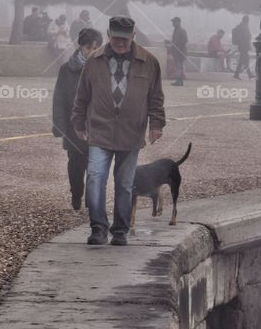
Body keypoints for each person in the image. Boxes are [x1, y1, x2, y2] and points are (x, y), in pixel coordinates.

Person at [72, 14, 165, 246]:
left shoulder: (149, 62)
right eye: (116, 39)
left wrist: (156, 124)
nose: (120, 43)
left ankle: (120, 230)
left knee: (125, 183)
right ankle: (98, 229)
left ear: (133, 36)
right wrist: (78, 122)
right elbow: (82, 95)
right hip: (100, 130)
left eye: (125, 39)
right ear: (108, 35)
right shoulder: (94, 61)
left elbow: (156, 97)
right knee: (95, 179)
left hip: (131, 133)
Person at [52, 27, 102, 210]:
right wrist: (59, 125)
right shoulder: (67, 70)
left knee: (96, 167)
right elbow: (59, 98)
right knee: (75, 165)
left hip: (97, 127)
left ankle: (91, 200)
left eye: (96, 47)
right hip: (75, 127)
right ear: (80, 46)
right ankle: (76, 194)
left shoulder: (104, 68)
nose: (92, 51)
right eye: (89, 47)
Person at [231, 15, 253, 80]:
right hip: (243, 47)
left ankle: (245, 74)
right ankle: (248, 74)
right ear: (247, 21)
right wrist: (249, 36)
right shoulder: (243, 27)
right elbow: (247, 36)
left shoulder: (240, 26)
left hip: (243, 46)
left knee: (244, 60)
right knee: (244, 60)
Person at [170, 16, 188, 86]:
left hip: (180, 52)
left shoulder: (182, 30)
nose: (173, 24)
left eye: (174, 22)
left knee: (179, 66)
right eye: (173, 22)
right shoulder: (175, 30)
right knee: (178, 66)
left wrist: (178, 48)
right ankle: (179, 80)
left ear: (178, 22)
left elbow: (185, 40)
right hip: (176, 52)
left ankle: (179, 81)